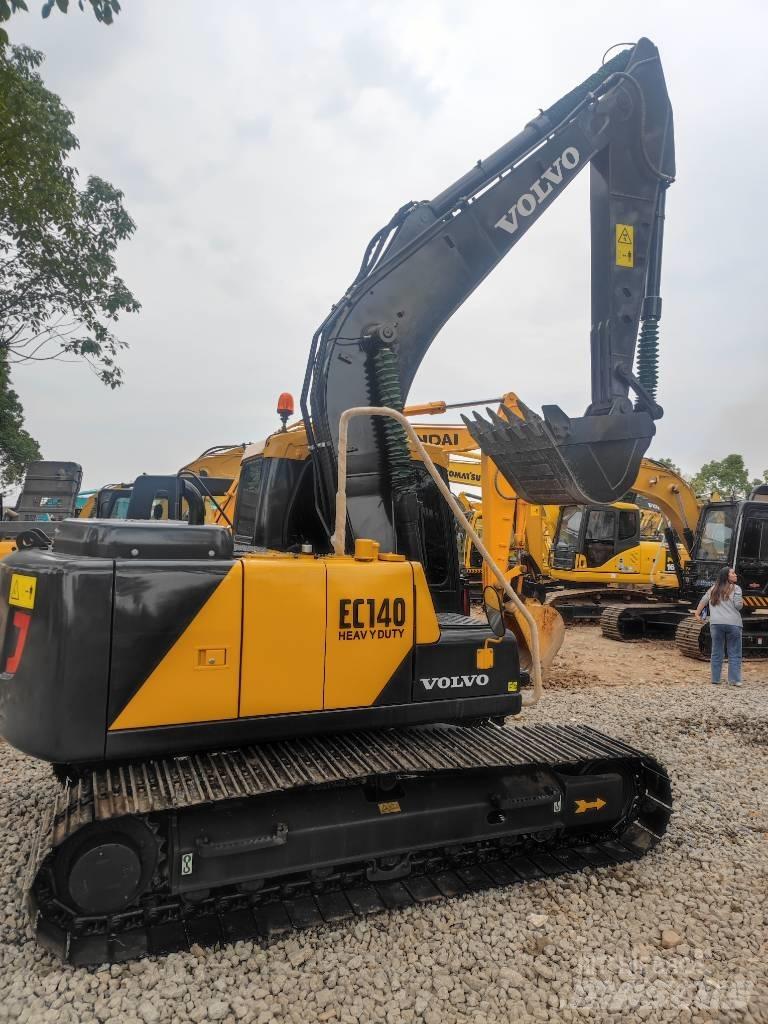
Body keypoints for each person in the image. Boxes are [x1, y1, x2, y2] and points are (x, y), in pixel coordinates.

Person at [695, 566, 743, 686]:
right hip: (733, 624)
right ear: (727, 576)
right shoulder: (736, 588)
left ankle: (715, 679)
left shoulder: (713, 589)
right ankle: (734, 680)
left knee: (716, 652)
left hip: (716, 624)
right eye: (733, 573)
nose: (736, 575)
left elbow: (703, 601)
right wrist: (741, 601)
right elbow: (738, 606)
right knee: (734, 652)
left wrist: (697, 613)